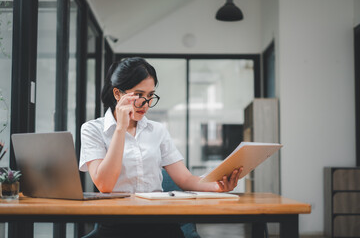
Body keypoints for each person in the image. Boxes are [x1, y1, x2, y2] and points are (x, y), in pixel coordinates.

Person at [79, 57, 243, 238]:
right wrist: (120, 129)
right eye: (139, 95)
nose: (146, 103)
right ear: (118, 94)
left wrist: (217, 186)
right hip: (115, 223)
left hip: (159, 221)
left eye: (150, 96)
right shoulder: (92, 129)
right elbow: (105, 185)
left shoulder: (157, 130)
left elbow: (185, 179)